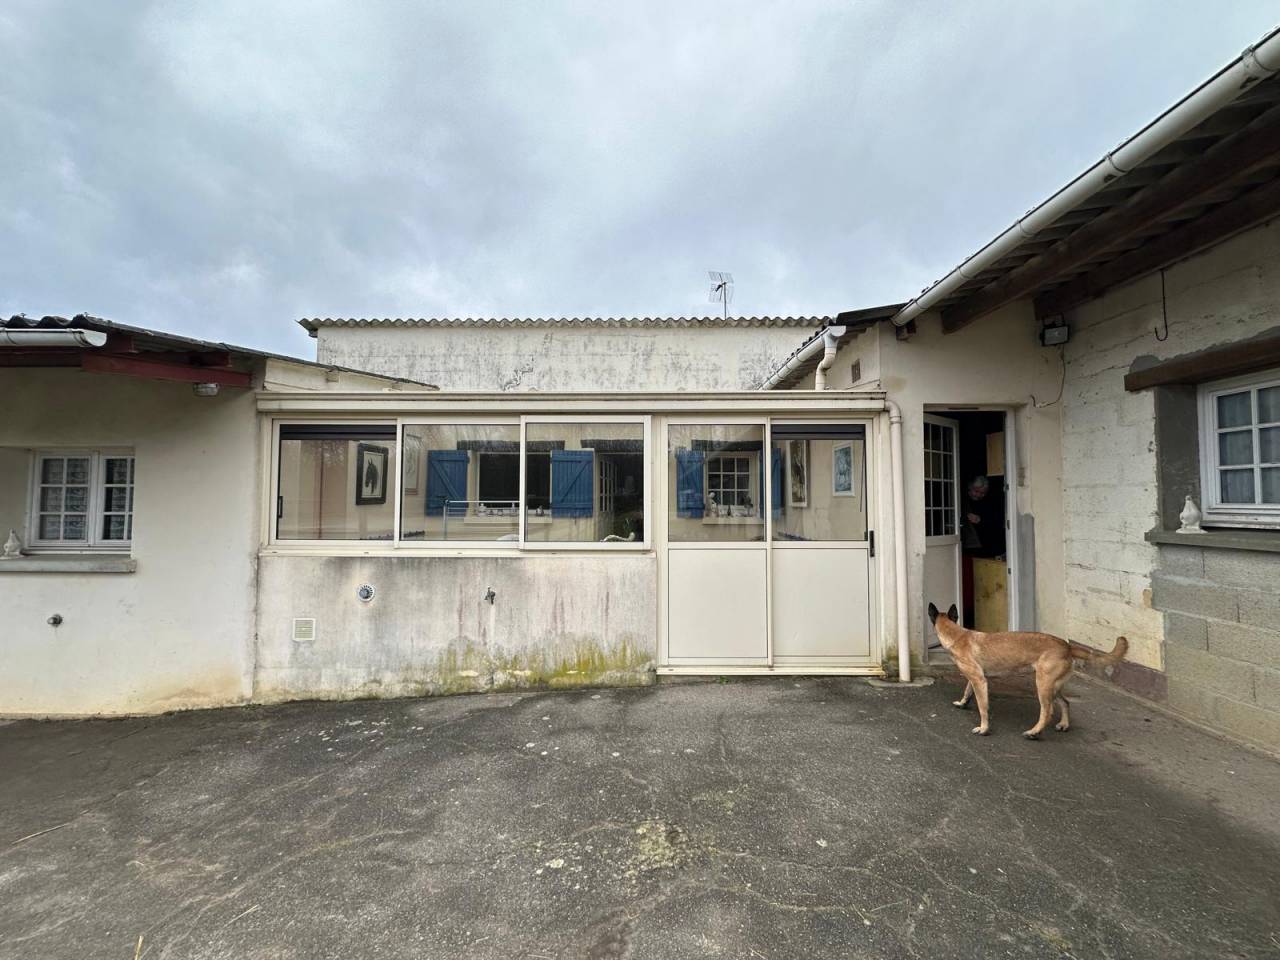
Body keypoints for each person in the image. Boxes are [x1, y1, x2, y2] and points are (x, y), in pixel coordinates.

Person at [961, 475, 1005, 559]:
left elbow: (996, 521)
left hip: (986, 545)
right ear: (970, 488)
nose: (978, 495)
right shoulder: (961, 500)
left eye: (982, 493)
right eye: (976, 491)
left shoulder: (990, 502)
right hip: (967, 545)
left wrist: (980, 520)